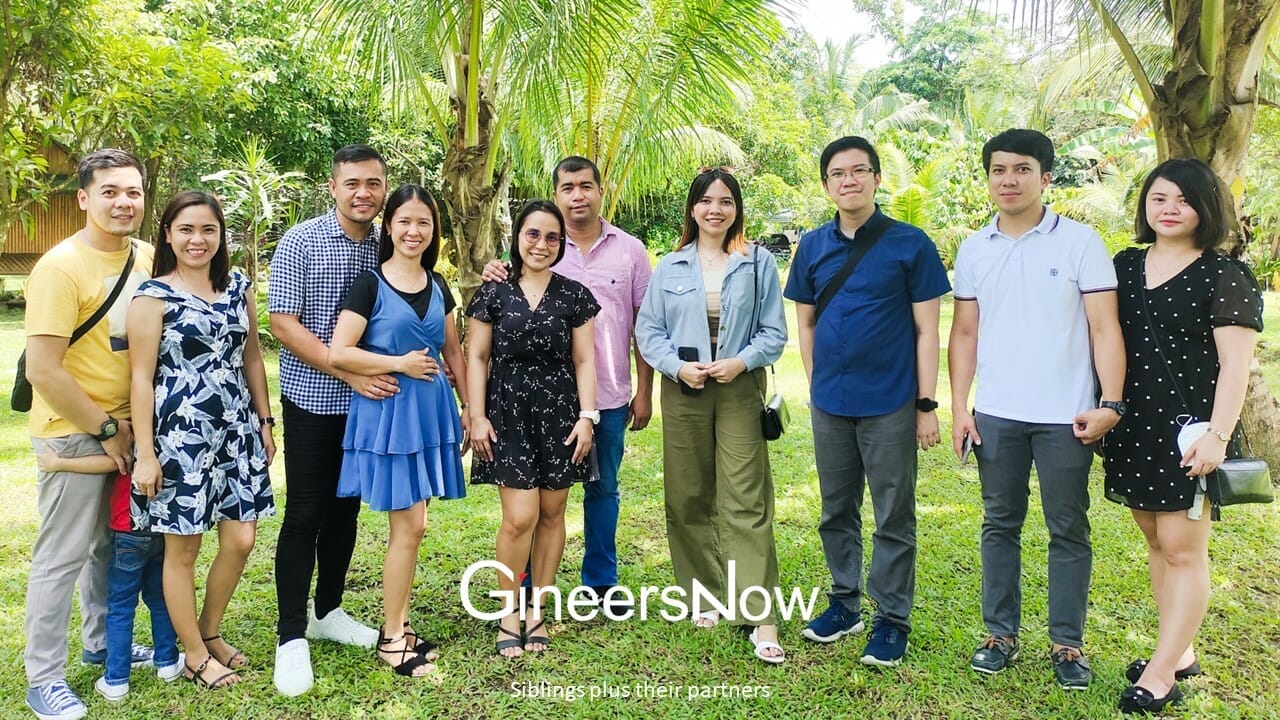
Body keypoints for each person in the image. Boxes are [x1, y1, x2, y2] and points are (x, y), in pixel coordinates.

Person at [949, 128, 1126, 690]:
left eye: (1022, 169)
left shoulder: (1080, 242)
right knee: (999, 524)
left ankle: (1067, 644)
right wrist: (961, 407)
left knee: (1067, 529)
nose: (1009, 180)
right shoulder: (976, 247)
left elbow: (1105, 327)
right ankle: (999, 634)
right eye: (998, 169)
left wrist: (1111, 404)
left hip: (1067, 417)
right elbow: (965, 333)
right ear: (988, 177)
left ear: (1046, 177)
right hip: (998, 413)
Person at [1102, 159, 1263, 714]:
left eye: (1183, 200)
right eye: (1158, 198)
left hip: (1191, 433)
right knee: (1155, 541)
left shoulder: (1225, 274)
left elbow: (1236, 365)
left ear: (1206, 208)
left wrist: (1218, 436)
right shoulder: (1124, 265)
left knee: (1183, 549)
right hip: (1134, 427)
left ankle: (1162, 673)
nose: (1169, 210)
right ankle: (1182, 650)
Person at [784, 136, 951, 667]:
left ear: (878, 178)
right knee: (836, 509)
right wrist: (816, 383)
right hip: (831, 403)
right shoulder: (811, 245)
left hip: (891, 402)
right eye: (837, 173)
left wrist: (926, 404)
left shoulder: (910, 243)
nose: (848, 180)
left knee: (893, 514)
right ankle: (844, 603)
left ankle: (892, 618)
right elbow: (804, 321)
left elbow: (929, 331)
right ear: (826, 185)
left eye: (859, 170)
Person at [481, 156, 654, 607]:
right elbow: (493, 324)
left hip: (608, 395)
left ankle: (598, 580)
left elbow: (644, 325)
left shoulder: (630, 250)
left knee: (602, 489)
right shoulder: (528, 255)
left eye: (586, 185)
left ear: (600, 190)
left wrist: (645, 391)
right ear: (556, 196)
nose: (578, 195)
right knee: (533, 504)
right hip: (531, 405)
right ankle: (525, 586)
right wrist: (492, 269)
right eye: (568, 187)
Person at [268, 145, 407, 695]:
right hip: (313, 400)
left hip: (368, 407)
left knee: (345, 512)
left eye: (373, 183)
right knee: (304, 513)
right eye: (352, 183)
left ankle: (328, 611)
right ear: (333, 187)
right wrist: (345, 372)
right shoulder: (303, 241)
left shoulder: (388, 245)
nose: (363, 193)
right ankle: (289, 636)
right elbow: (282, 323)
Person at [22, 148, 156, 720]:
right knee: (64, 554)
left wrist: (132, 430)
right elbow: (43, 369)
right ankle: (43, 676)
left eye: (133, 192)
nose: (124, 202)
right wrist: (104, 428)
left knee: (111, 545)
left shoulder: (150, 256)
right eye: (110, 192)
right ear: (83, 198)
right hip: (77, 428)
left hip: (132, 426)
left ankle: (102, 642)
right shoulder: (59, 267)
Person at [635, 167, 788, 664]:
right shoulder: (671, 266)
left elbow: (773, 332)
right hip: (685, 391)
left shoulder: (758, 262)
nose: (715, 209)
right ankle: (705, 593)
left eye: (725, 201)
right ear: (693, 209)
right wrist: (679, 368)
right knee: (688, 493)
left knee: (745, 497)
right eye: (706, 200)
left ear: (736, 208)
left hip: (739, 388)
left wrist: (740, 361)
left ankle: (758, 613)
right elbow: (648, 331)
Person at [127, 191, 275, 690]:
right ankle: (193, 654)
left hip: (237, 431)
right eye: (186, 229)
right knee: (182, 550)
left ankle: (209, 631)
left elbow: (252, 357)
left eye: (208, 229)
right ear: (168, 234)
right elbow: (141, 379)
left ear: (220, 235)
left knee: (240, 538)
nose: (198, 239)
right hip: (180, 438)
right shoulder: (152, 297)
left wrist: (265, 420)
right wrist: (146, 454)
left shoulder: (238, 286)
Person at [329, 184, 470, 677]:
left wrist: (469, 406)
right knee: (407, 528)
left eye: (424, 223)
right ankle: (392, 637)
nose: (414, 231)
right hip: (391, 416)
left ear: (434, 233)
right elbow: (338, 352)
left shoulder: (438, 284)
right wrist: (399, 363)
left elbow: (452, 350)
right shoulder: (368, 283)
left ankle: (402, 623)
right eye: (405, 221)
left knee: (417, 525)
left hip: (432, 414)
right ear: (389, 227)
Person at [466, 200, 599, 658]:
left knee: (552, 514)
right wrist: (476, 414)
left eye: (552, 237)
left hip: (562, 414)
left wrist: (588, 417)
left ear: (561, 243)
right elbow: (477, 358)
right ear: (517, 236)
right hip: (508, 413)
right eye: (533, 234)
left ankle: (537, 609)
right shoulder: (493, 292)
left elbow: (584, 360)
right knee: (519, 517)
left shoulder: (575, 294)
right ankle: (508, 613)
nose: (542, 244)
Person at [33, 449, 183, 701]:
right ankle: (167, 662)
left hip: (127, 533)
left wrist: (59, 462)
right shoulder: (169, 438)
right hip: (161, 529)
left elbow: (107, 463)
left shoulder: (135, 443)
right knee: (159, 600)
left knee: (120, 607)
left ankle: (116, 680)